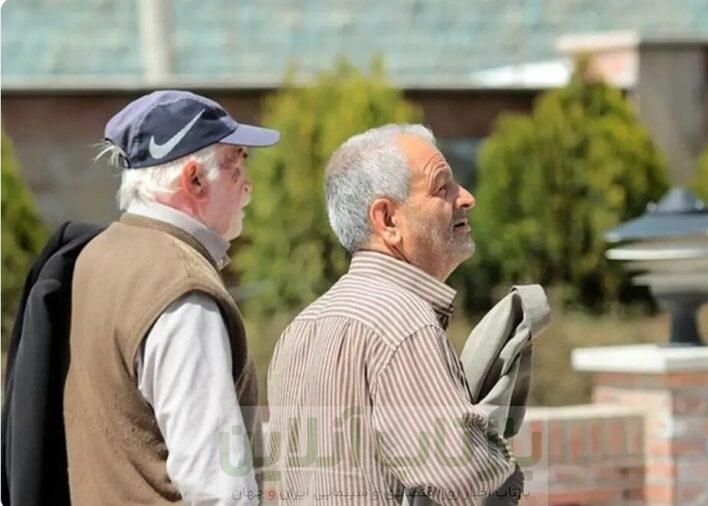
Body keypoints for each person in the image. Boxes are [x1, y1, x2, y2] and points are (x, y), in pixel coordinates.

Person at [266, 124, 521, 505]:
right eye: (443, 188)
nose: (466, 198)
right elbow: (466, 481)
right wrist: (502, 463)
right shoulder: (405, 324)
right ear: (386, 220)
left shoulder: (300, 327)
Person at [63, 90, 279, 504]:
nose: (248, 184)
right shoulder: (182, 287)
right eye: (236, 165)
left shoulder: (96, 256)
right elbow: (216, 485)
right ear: (194, 179)